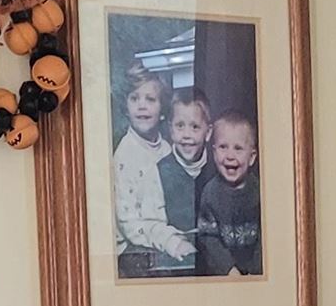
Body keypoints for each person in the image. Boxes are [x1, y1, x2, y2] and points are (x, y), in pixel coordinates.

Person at [111, 66, 192, 274]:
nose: (142, 106)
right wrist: (170, 241)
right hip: (133, 252)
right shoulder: (124, 157)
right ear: (126, 107)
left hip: (164, 242)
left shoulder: (166, 148)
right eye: (134, 98)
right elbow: (130, 225)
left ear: (163, 111)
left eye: (150, 99)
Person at [194, 115, 261, 276]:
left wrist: (257, 271)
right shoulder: (210, 193)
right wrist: (229, 270)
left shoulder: (259, 190)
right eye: (223, 147)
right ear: (214, 152)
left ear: (252, 157)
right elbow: (208, 238)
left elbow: (267, 237)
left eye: (238, 148)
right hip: (224, 275)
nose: (230, 155)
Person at [161, 89, 215, 257]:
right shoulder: (159, 171)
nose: (186, 135)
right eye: (180, 126)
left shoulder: (218, 168)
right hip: (176, 255)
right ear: (171, 130)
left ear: (208, 132)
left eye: (195, 127)